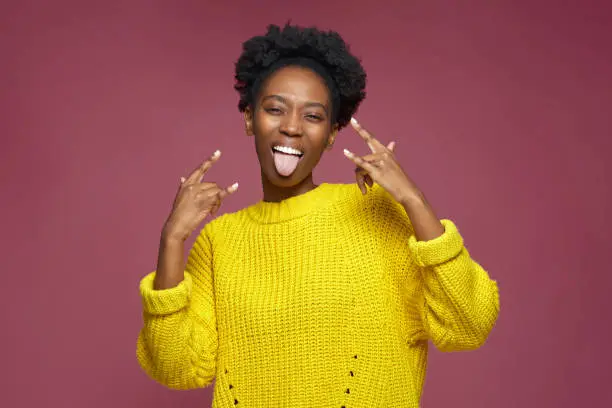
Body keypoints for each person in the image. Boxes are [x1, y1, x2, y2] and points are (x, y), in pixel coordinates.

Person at [136, 23, 500, 408]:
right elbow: (176, 367)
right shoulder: (218, 242)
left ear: (331, 133)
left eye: (312, 116)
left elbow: (469, 323)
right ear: (248, 118)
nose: (291, 127)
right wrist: (171, 241)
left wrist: (414, 201)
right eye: (275, 109)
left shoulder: (376, 212)